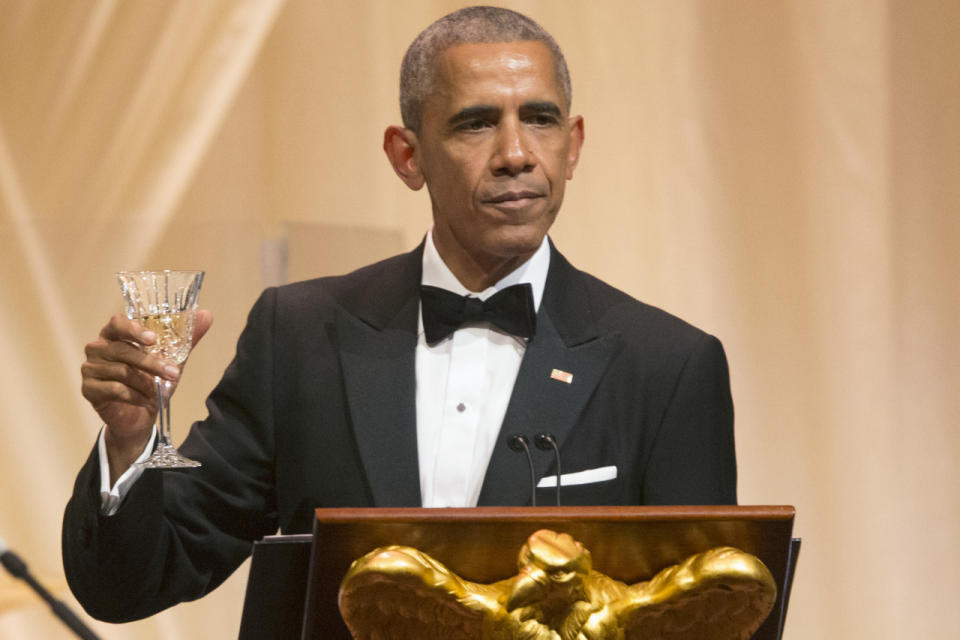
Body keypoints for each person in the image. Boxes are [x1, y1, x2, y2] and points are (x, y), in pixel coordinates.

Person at [63, 6, 736, 623]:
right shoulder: (300, 336)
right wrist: (131, 445)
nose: (516, 155)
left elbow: (706, 615)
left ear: (574, 143)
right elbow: (131, 585)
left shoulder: (668, 366)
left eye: (540, 118)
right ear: (406, 155)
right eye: (476, 122)